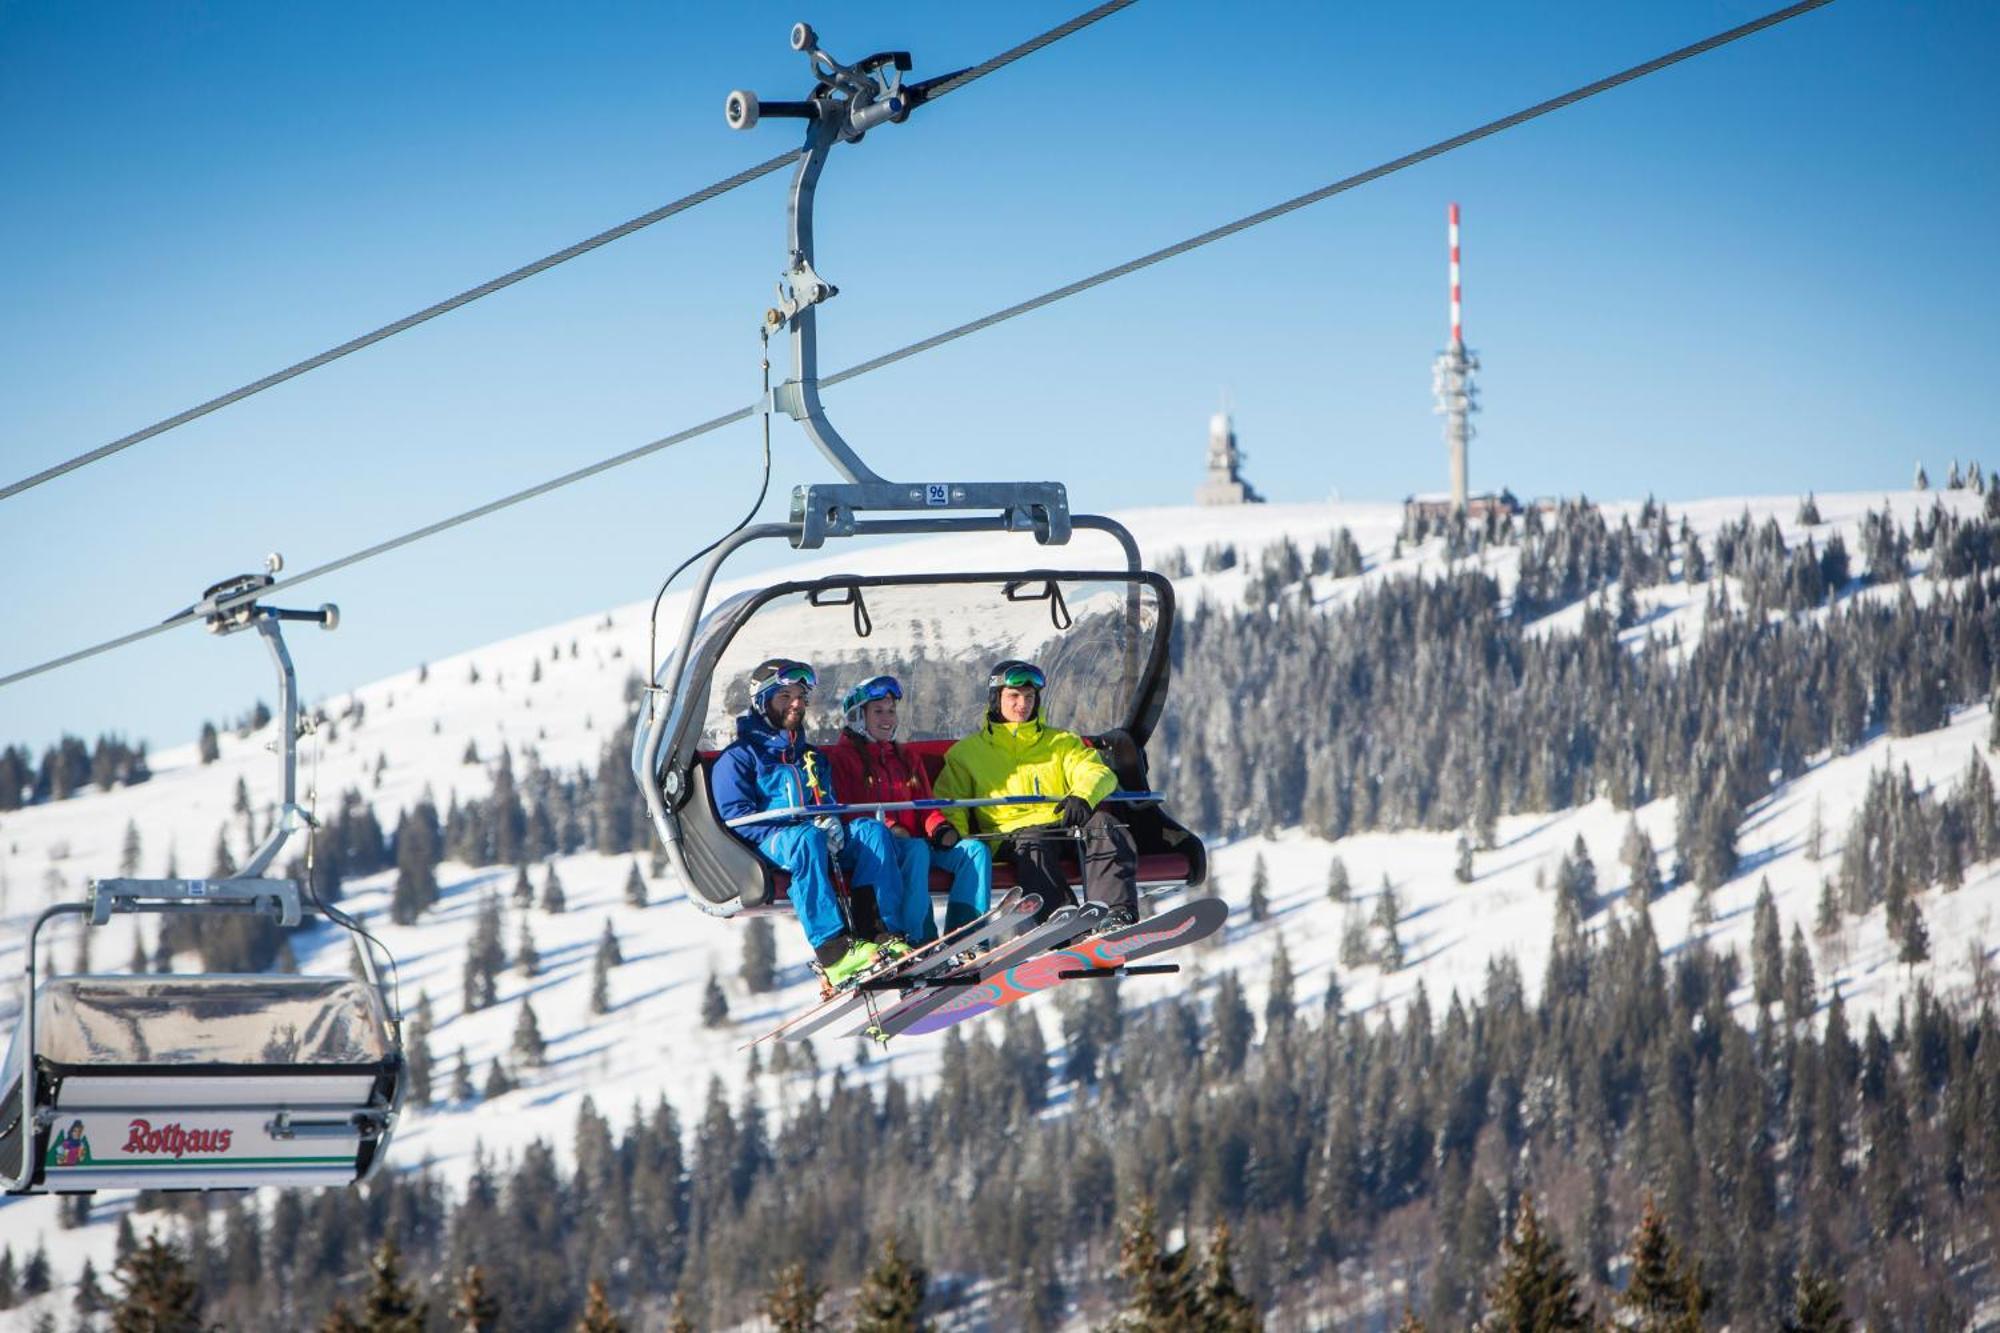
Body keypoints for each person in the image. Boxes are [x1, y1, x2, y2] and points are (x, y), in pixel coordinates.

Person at [710, 658, 906, 989]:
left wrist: (832, 821)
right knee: (806, 841)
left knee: (871, 831)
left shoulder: (810, 756)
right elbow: (736, 819)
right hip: (766, 842)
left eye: (801, 697)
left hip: (815, 835)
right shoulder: (740, 757)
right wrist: (802, 831)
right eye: (785, 697)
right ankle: (834, 951)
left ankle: (880, 933)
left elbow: (827, 801)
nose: (796, 704)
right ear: (763, 702)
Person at [934, 659, 1138, 928]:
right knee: (1034, 842)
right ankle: (1067, 927)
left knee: (1105, 825)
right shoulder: (966, 754)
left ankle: (1114, 915)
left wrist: (1082, 797)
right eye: (1014, 696)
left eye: (1030, 697)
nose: (1023, 704)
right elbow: (953, 805)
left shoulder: (1061, 742)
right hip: (1010, 835)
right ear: (996, 699)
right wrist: (959, 848)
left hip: (1061, 823)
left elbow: (1097, 772)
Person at [826, 674, 994, 942]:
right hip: (881, 846)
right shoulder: (843, 760)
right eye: (878, 711)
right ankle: (918, 939)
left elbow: (926, 805)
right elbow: (849, 812)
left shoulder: (906, 758)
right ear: (858, 716)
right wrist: (892, 828)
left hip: (918, 841)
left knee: (975, 852)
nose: (887, 718)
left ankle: (967, 935)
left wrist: (939, 827)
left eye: (891, 711)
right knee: (916, 851)